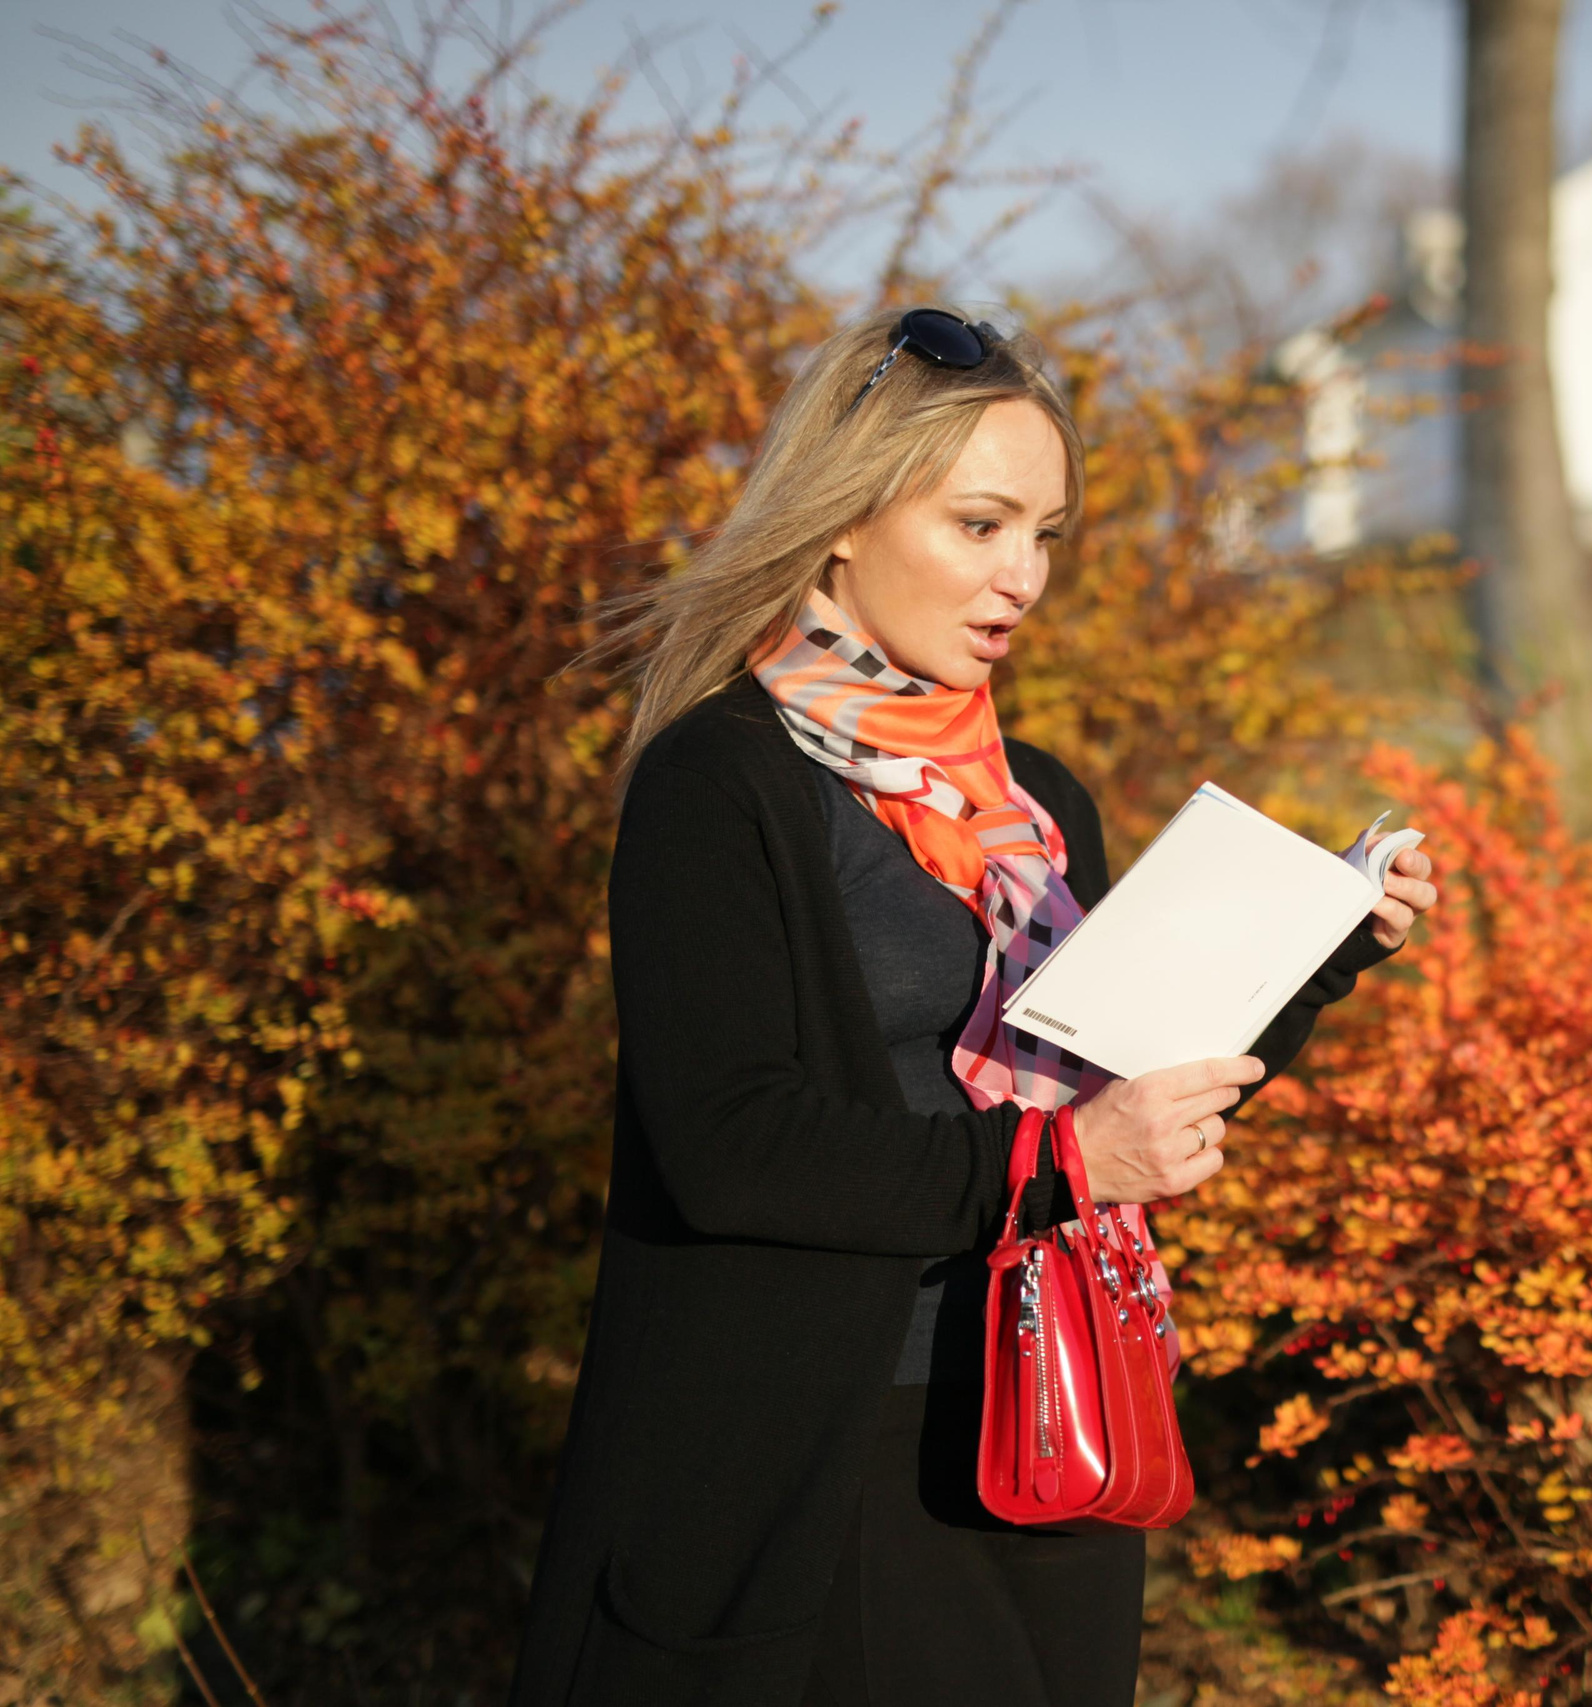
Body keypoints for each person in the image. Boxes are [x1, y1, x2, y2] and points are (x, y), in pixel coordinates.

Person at [507, 306, 1438, 1707]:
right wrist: (1062, 1160)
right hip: (832, 1452)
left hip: (1058, 1399)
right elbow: (727, 1143)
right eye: (981, 525)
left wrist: (1326, 948)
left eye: (1046, 535)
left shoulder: (1036, 801)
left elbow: (1139, 1073)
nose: (1023, 578)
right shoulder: (723, 784)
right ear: (842, 521)